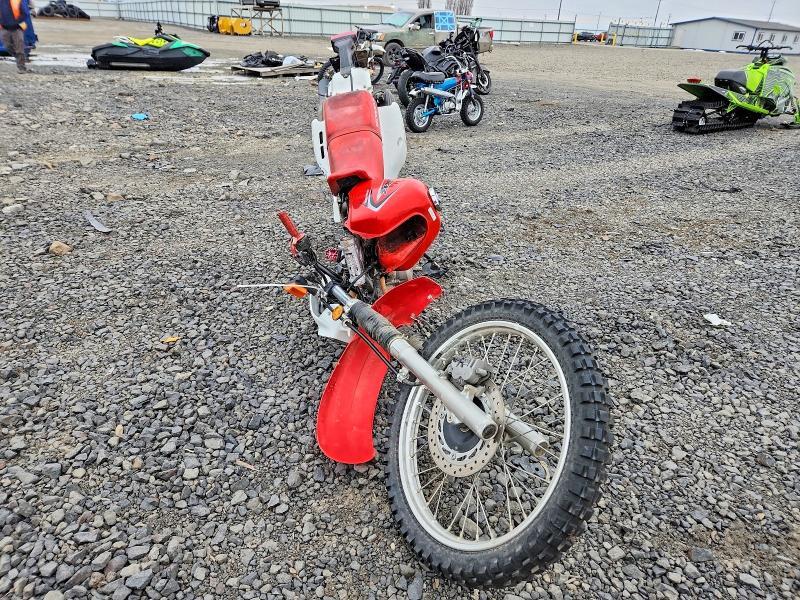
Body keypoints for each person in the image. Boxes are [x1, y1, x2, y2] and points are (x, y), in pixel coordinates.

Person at [0, 0, 30, 73]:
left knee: (19, 48)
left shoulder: (18, 0)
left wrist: (16, 22)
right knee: (7, 46)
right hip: (4, 28)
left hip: (17, 28)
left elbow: (25, 13)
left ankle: (22, 68)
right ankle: (19, 58)